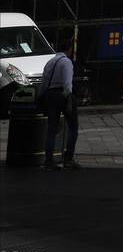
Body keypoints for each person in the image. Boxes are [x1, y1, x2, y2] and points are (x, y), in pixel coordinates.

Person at [39, 38, 79, 170]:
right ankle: (68, 158)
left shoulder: (49, 62)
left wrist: (42, 97)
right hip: (62, 95)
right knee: (73, 126)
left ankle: (49, 160)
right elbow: (68, 84)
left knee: (51, 128)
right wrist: (68, 98)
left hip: (50, 95)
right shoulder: (66, 62)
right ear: (69, 49)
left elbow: (44, 83)